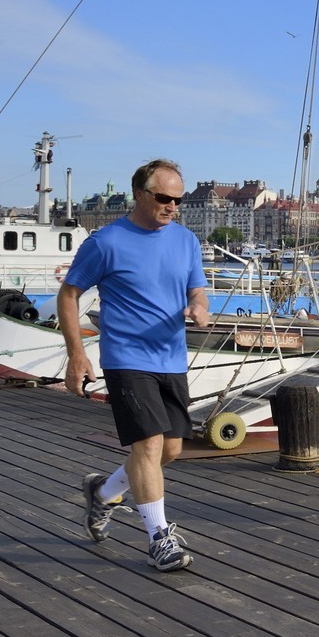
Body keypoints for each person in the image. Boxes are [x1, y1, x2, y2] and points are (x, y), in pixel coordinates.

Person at [58, 159, 210, 571]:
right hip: (126, 358)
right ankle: (160, 538)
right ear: (139, 194)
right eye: (164, 198)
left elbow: (198, 289)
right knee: (147, 445)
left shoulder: (186, 241)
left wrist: (198, 305)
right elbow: (69, 295)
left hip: (171, 358)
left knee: (171, 450)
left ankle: (104, 492)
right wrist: (77, 353)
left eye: (177, 200)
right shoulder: (106, 242)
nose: (172, 207)